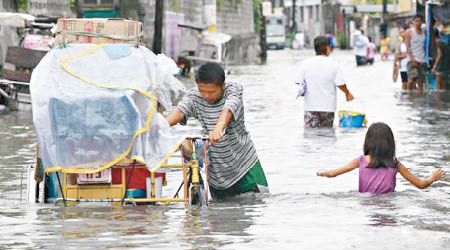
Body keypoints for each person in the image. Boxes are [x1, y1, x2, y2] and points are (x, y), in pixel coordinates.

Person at [165, 62, 268, 199]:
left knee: (255, 204)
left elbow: (229, 108)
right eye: (202, 91)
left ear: (222, 86)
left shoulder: (233, 90)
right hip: (217, 175)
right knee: (219, 214)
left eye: (211, 92)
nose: (206, 96)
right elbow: (179, 111)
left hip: (244, 167)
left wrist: (219, 127)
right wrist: (160, 126)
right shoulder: (194, 97)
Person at [317, 122, 444, 195]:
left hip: (365, 203)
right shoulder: (394, 163)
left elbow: (334, 173)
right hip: (389, 204)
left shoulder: (361, 160)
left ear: (368, 142)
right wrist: (432, 178)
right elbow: (420, 184)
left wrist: (322, 172)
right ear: (390, 143)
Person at [295, 36, 354, 128]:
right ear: (327, 48)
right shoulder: (333, 64)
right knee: (327, 136)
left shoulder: (305, 64)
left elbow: (300, 83)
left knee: (311, 137)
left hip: (311, 107)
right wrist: (347, 93)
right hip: (328, 108)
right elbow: (340, 83)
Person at [405, 15, 428, 91]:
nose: (418, 23)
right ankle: (409, 97)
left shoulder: (424, 32)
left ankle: (419, 100)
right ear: (413, 22)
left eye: (419, 21)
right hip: (412, 60)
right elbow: (407, 46)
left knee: (421, 82)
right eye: (416, 21)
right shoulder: (409, 32)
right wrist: (412, 59)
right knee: (411, 80)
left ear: (422, 22)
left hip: (422, 60)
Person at [395, 25, 410, 89]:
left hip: (411, 66)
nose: (402, 34)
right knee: (404, 83)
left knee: (411, 83)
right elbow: (396, 57)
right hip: (403, 67)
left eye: (403, 32)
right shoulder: (399, 44)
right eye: (400, 32)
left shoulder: (411, 42)